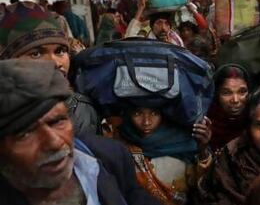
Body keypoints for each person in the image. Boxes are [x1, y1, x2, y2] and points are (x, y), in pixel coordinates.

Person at [0, 59, 161, 205]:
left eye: (57, 121)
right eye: (25, 133)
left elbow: (133, 195)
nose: (55, 142)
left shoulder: (111, 156)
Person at [0, 1, 101, 136]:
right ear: (8, 62)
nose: (55, 63)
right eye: (36, 54)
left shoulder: (82, 109)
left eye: (60, 51)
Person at [108, 106, 212, 205]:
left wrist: (203, 149)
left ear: (164, 115)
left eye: (154, 113)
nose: (146, 122)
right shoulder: (117, 143)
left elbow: (202, 188)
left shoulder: (185, 144)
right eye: (137, 113)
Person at [206, 64, 251, 151]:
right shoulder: (206, 124)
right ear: (216, 94)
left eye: (242, 92)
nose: (235, 100)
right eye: (226, 93)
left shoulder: (255, 121)